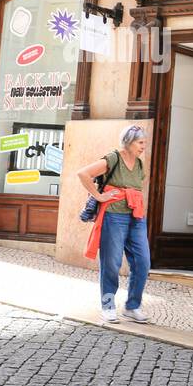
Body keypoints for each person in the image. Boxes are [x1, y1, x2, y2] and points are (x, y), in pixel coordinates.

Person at [77, 124, 151, 324]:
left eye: (144, 142)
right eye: (140, 142)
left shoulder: (139, 163)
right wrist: (99, 196)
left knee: (143, 262)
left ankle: (132, 306)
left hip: (136, 217)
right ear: (128, 142)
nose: (143, 146)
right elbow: (83, 174)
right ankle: (108, 306)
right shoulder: (113, 158)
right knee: (111, 263)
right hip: (114, 216)